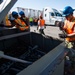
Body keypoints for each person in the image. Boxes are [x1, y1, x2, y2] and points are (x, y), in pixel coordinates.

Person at [59, 6, 75, 74]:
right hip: (67, 41)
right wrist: (60, 27)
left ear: (71, 14)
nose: (65, 17)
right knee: (66, 55)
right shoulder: (66, 20)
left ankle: (72, 70)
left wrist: (66, 35)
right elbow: (64, 29)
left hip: (73, 42)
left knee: (72, 57)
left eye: (67, 16)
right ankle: (67, 66)